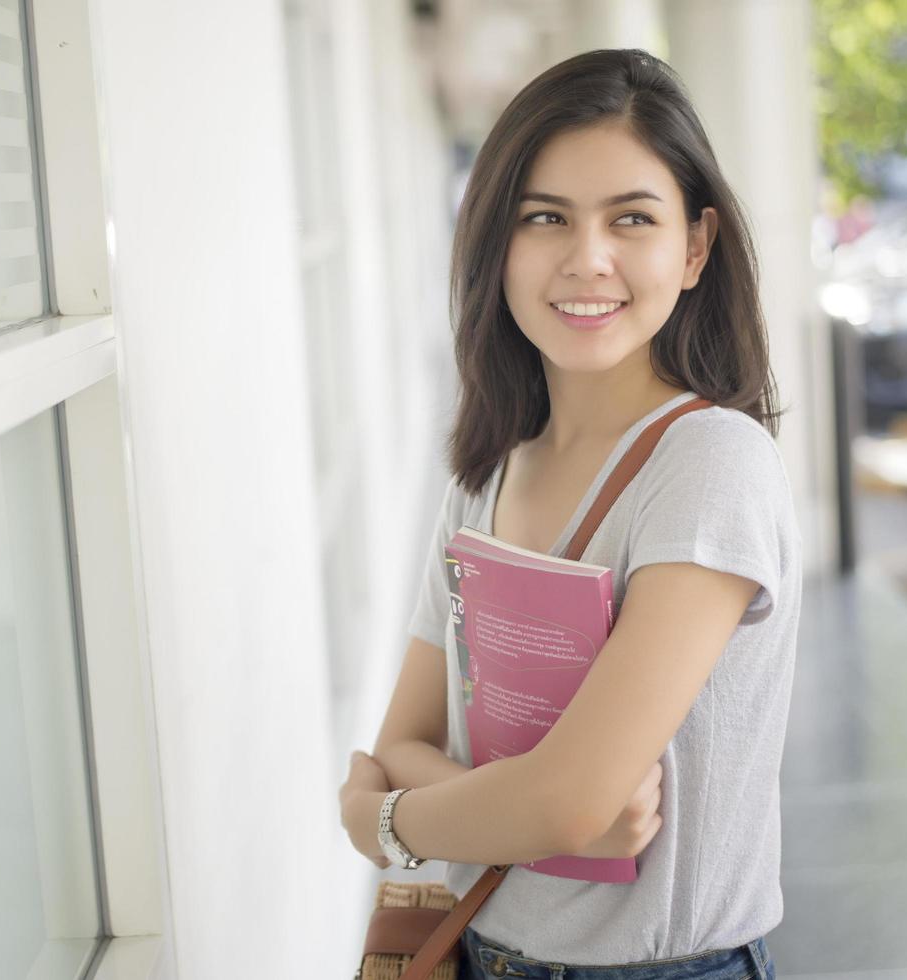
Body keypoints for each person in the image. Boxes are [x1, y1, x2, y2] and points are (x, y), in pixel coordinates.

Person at [338, 49, 799, 979]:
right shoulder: (485, 471)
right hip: (479, 953)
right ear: (495, 244)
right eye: (544, 218)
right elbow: (404, 742)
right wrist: (523, 804)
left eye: (632, 218)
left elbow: (573, 801)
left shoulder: (710, 464)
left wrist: (380, 820)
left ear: (696, 247)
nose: (587, 259)